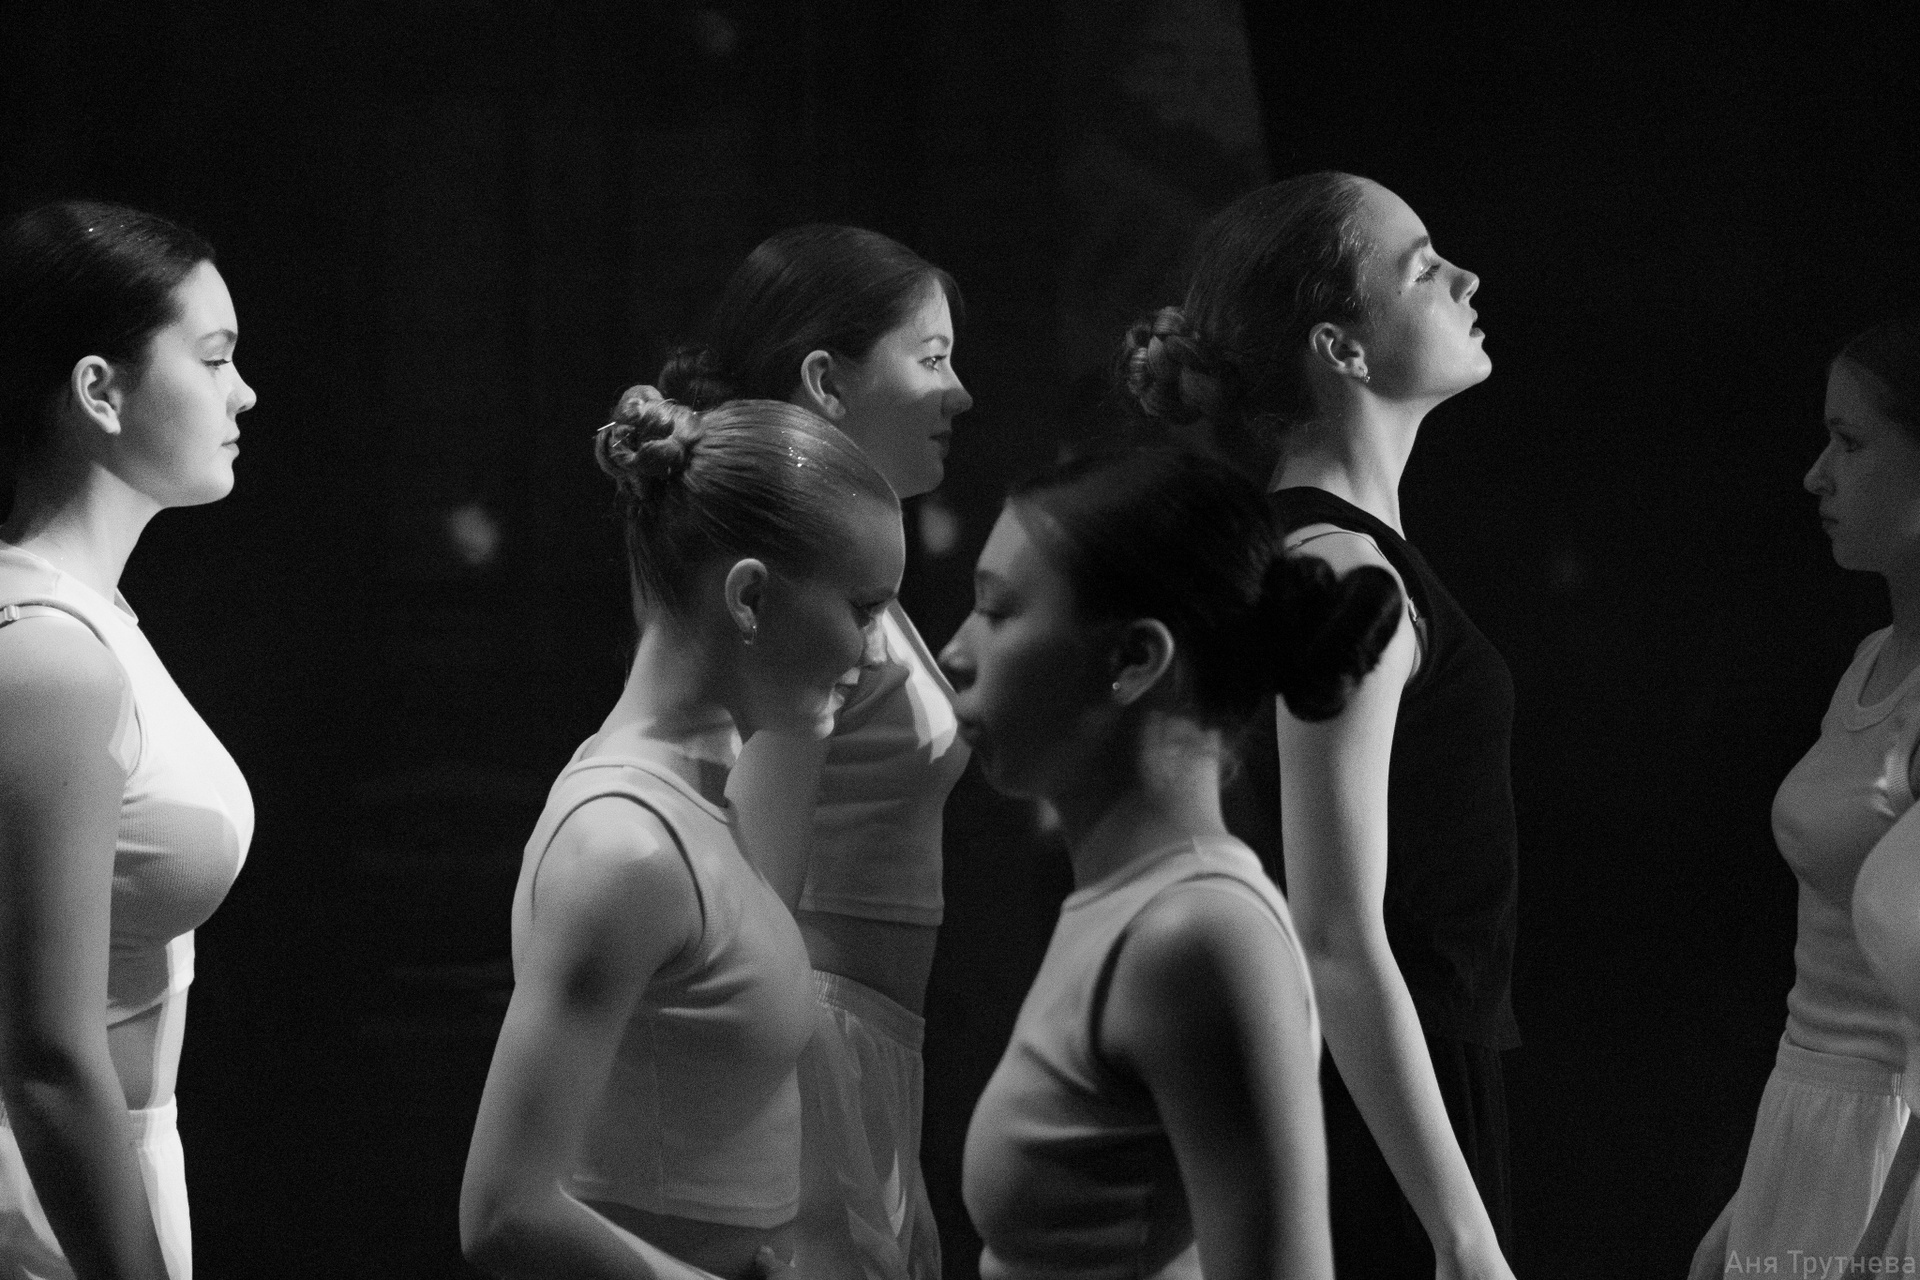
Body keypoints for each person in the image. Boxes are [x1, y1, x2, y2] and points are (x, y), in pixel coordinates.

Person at [1120, 172, 1517, 1279]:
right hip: (1376, 1099)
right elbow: (1335, 932)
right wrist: (1463, 1236)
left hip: (1366, 1081)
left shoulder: (1314, 556)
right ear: (1340, 348)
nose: (1466, 279)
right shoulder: (1342, 571)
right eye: (1423, 267)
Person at [459, 387, 903, 1280]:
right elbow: (505, 1213)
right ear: (749, 596)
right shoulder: (626, 848)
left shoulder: (693, 803)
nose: (874, 650)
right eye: (862, 609)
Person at [944, 446, 1401, 1280]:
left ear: (1134, 660)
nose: (953, 652)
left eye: (997, 611)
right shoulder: (1135, 908)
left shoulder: (1199, 934)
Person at [655, 224, 973, 1279]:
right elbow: (754, 892)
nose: (960, 392)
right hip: (816, 1046)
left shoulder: (844, 577)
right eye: (932, 358)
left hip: (865, 1039)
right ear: (827, 381)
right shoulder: (799, 592)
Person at [0, 201, 257, 1280]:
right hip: (49, 1209)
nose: (243, 392)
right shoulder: (50, 656)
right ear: (99, 390)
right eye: (214, 356)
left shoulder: (86, 624)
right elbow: (50, 1059)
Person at [1692, 315, 1920, 1276]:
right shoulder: (1871, 660)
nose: (1816, 476)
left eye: (1851, 443)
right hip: (1805, 1119)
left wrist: (1875, 1244)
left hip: (1885, 1150)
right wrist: (1754, 1195)